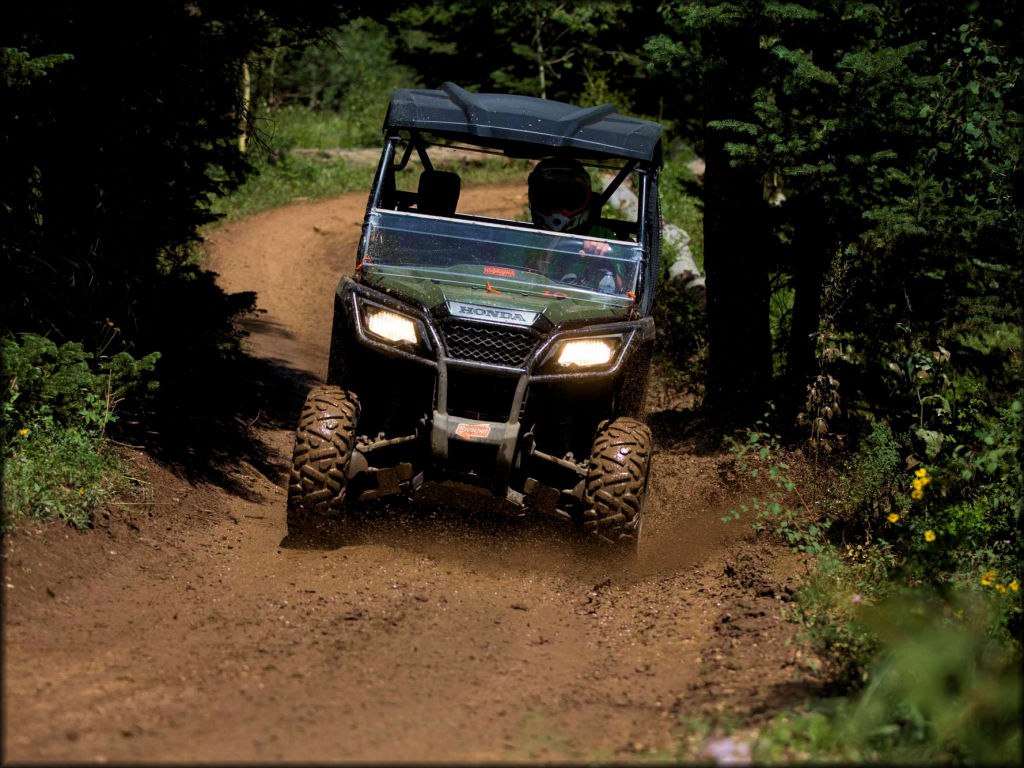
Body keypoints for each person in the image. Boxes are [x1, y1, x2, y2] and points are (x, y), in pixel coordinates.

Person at [527, 158, 623, 293]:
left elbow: (624, 286)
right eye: (549, 197)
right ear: (533, 197)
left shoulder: (603, 236)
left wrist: (603, 257)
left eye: (569, 197)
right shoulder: (521, 238)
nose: (558, 209)